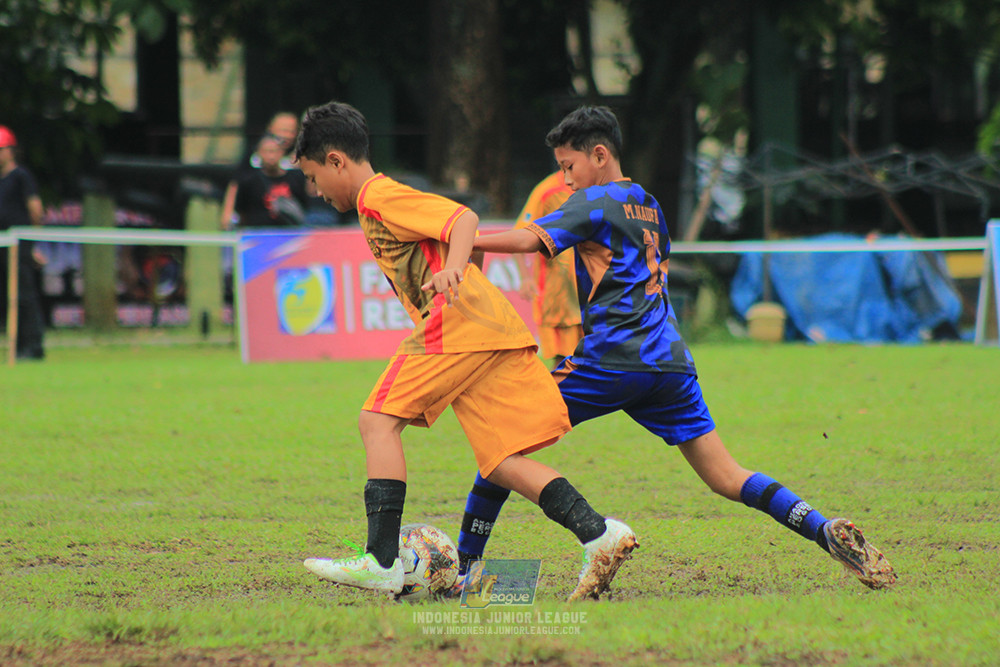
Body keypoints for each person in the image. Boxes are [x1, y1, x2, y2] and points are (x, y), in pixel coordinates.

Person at [453, 106, 896, 594]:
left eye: (568, 166)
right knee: (727, 476)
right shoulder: (650, 204)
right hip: (670, 362)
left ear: (599, 155)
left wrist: (468, 238)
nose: (565, 178)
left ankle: (468, 572)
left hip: (613, 359)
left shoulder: (594, 200)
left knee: (500, 447)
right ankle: (822, 527)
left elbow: (530, 239)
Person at [292, 100, 637, 601]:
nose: (316, 190)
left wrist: (454, 270)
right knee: (500, 461)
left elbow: (462, 218)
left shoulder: (377, 196)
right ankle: (599, 533)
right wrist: (461, 266)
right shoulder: (376, 201)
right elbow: (459, 236)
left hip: (456, 327)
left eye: (314, 175)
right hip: (491, 327)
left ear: (336, 161)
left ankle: (381, 560)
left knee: (376, 422)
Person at [513, 172, 582, 367]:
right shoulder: (547, 190)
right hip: (558, 299)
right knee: (564, 363)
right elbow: (519, 234)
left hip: (593, 296)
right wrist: (525, 278)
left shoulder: (598, 188)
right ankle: (559, 397)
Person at [0, 125, 46, 360]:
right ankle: (15, 346)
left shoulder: (21, 176)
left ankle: (33, 346)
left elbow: (35, 209)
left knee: (25, 296)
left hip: (20, 243)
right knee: (6, 295)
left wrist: (33, 242)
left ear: (10, 151)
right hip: (3, 245)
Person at [219, 134, 310, 230]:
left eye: (274, 151)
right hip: (258, 234)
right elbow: (241, 211)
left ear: (282, 153)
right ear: (259, 154)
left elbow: (304, 205)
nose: (271, 156)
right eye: (266, 152)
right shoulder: (249, 181)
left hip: (288, 234)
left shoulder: (296, 178)